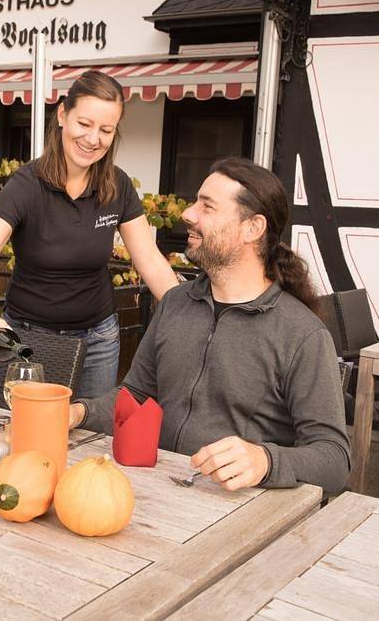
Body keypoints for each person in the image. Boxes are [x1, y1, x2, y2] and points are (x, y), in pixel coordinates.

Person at [69, 157, 350, 492]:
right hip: (158, 491)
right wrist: (79, 413)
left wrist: (265, 461)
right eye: (195, 202)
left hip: (240, 504)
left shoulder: (302, 334)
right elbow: (135, 396)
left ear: (252, 228)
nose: (188, 214)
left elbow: (334, 460)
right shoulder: (175, 303)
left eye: (207, 206)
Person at [0, 70, 179, 399]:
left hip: (98, 341)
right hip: (28, 340)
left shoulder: (118, 186)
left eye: (106, 130)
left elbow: (151, 263)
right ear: (62, 115)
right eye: (84, 124)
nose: (93, 139)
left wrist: (187, 316)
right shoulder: (26, 185)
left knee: (90, 427)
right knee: (27, 426)